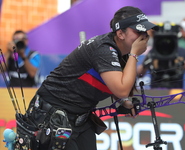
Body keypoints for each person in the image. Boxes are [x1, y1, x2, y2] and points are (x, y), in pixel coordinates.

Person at [15, 6, 157, 150]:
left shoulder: (119, 51)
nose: (143, 36)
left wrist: (125, 103)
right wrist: (134, 54)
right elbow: (121, 90)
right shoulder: (104, 49)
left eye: (145, 31)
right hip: (53, 114)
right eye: (138, 31)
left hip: (80, 116)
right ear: (120, 33)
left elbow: (119, 90)